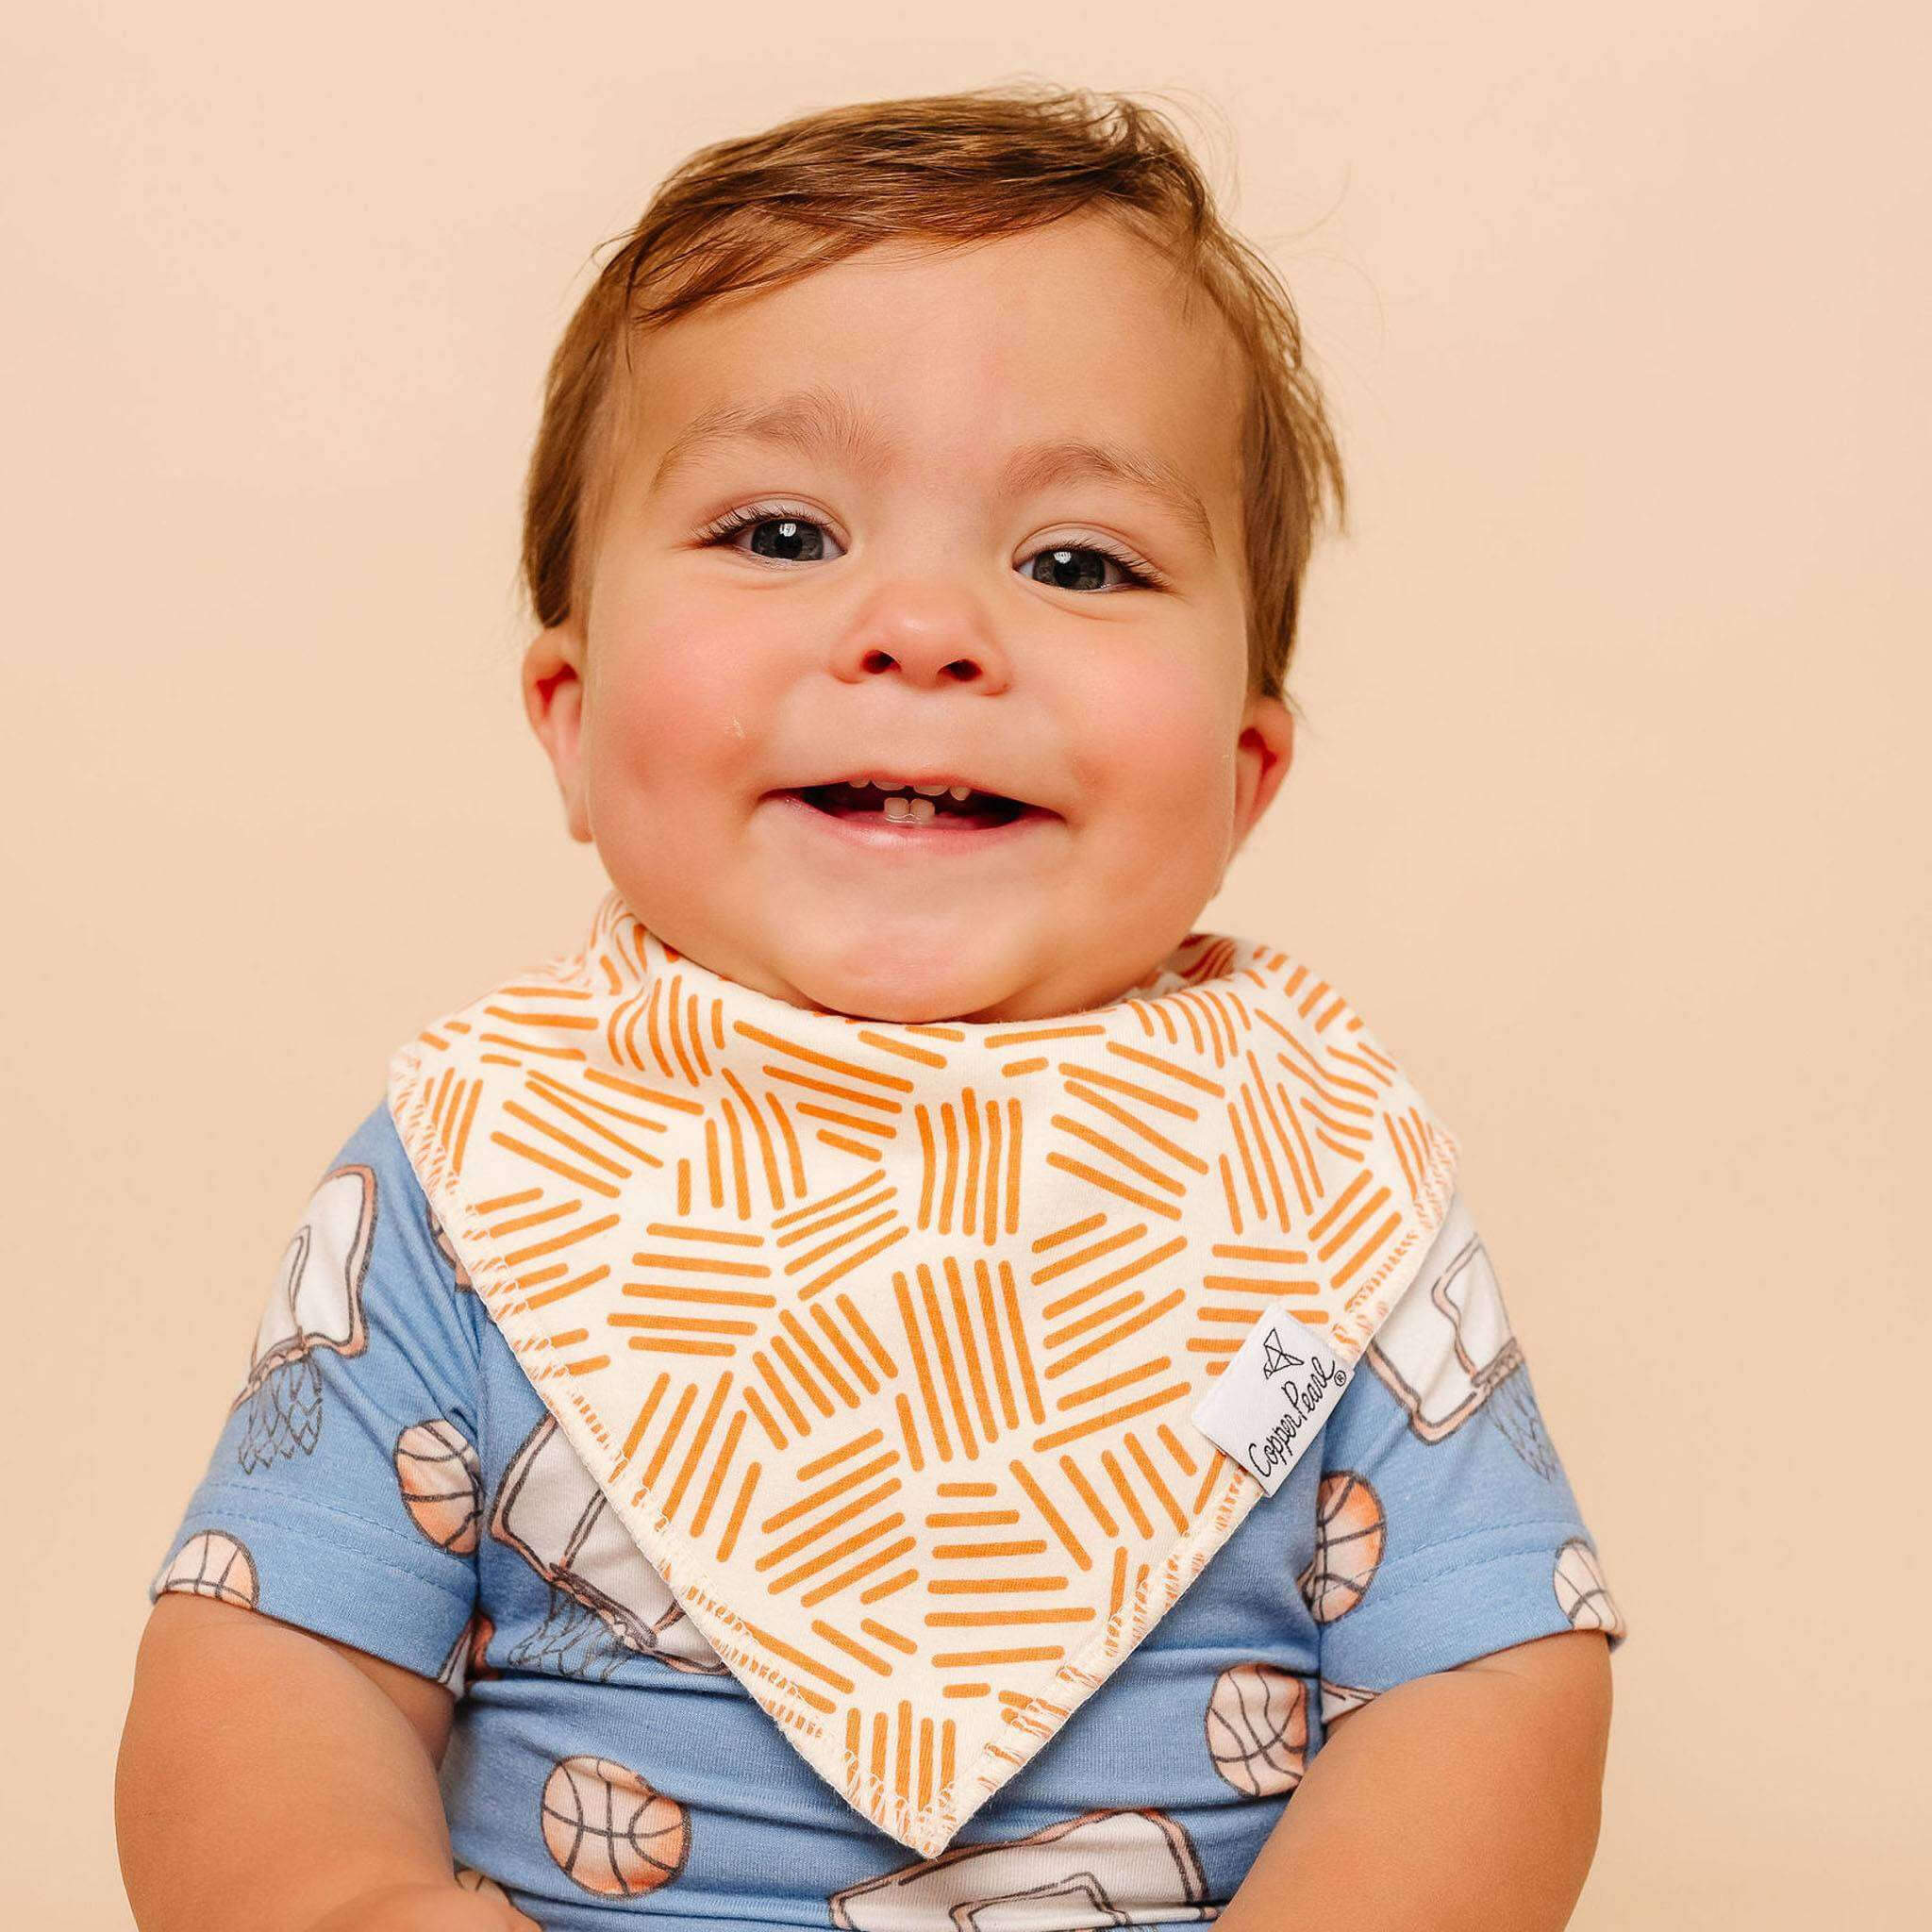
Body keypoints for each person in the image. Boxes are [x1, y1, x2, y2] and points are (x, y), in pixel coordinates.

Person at [116, 83, 1623, 1932]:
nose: (923, 625)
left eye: (1076, 562)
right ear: (575, 722)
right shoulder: (482, 1172)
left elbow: (1484, 1682)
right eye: (779, 532)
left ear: (1241, 779)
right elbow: (278, 1658)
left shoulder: (1316, 1183)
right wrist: (350, 1898)